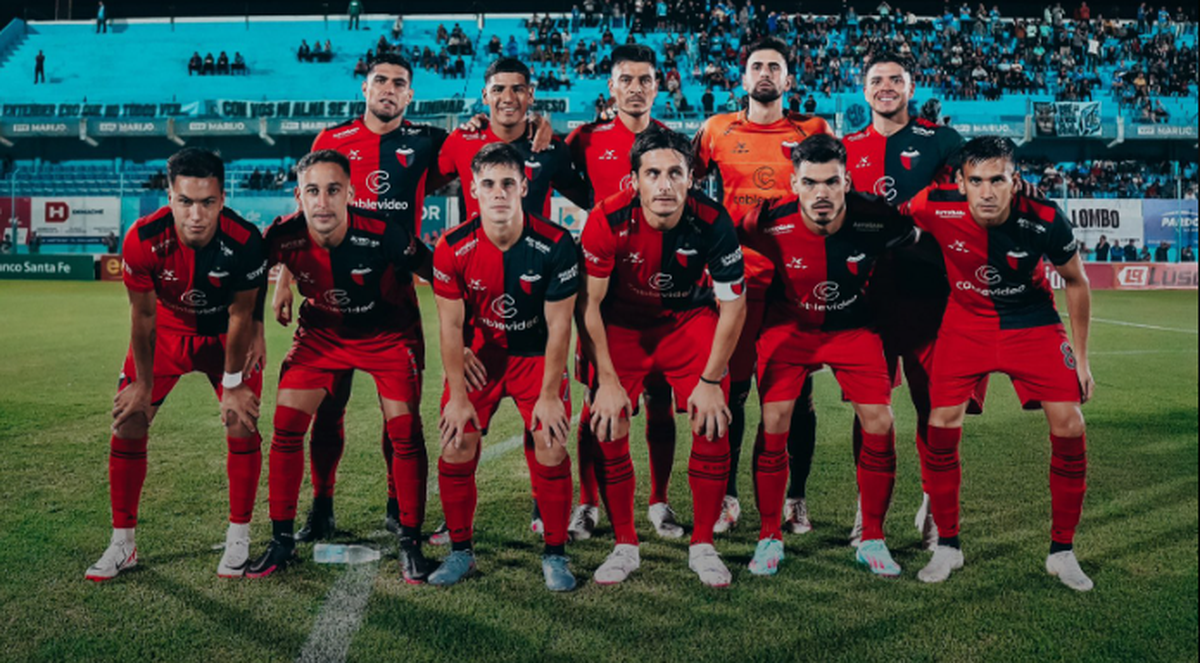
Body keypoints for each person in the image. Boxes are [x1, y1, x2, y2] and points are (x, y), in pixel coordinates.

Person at [273, 54, 454, 545]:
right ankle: (322, 506)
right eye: (380, 80)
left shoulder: (428, 140)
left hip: (393, 303)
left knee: (400, 417)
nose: (388, 89)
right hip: (330, 304)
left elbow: (475, 151)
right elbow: (304, 210)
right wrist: (285, 277)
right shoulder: (331, 140)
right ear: (365, 88)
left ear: (410, 94)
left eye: (399, 83)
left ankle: (399, 507)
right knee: (327, 412)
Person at [904, 136, 1095, 592]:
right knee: (940, 422)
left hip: (1032, 322)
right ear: (960, 182)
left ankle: (1062, 551)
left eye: (997, 180)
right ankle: (948, 545)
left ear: (1016, 181)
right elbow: (890, 221)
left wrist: (1082, 361)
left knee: (1070, 423)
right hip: (966, 322)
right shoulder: (933, 204)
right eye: (976, 181)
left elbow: (1077, 281)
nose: (987, 192)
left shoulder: (1045, 217)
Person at [248, 150, 434, 581]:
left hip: (388, 333)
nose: (323, 201)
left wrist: (465, 335)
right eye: (313, 191)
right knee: (286, 424)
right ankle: (285, 537)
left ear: (350, 193)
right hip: (323, 334)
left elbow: (440, 274)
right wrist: (260, 321)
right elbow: (250, 274)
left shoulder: (384, 233)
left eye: (333, 190)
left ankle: (410, 540)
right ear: (299, 197)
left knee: (405, 429)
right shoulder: (282, 236)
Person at [85, 148, 267, 581]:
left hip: (224, 337)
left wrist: (233, 383)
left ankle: (238, 536)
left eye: (207, 202)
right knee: (128, 420)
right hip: (166, 334)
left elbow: (241, 315)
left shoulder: (245, 240)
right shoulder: (142, 238)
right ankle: (123, 543)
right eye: (185, 201)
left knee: (241, 421)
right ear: (169, 197)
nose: (196, 215)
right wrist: (142, 384)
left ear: (223, 198)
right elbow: (143, 316)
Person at [741, 135, 916, 577]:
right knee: (774, 419)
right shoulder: (766, 220)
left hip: (854, 328)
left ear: (847, 182)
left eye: (831, 182)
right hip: (789, 327)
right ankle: (769, 537)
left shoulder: (876, 216)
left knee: (880, 421)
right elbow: (723, 242)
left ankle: (872, 538)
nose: (821, 193)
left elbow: (916, 241)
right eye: (810, 183)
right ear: (794, 184)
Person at [579, 127, 746, 587]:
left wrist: (710, 382)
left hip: (687, 321)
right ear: (634, 180)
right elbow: (588, 304)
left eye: (675, 173)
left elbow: (734, 306)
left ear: (691, 178)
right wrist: (606, 380)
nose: (665, 184)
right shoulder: (606, 218)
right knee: (607, 421)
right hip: (623, 324)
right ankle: (624, 545)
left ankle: (703, 545)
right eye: (652, 174)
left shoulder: (713, 220)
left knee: (713, 421)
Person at [692, 36, 832, 536]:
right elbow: (684, 185)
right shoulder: (716, 130)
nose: (766, 73)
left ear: (789, 79)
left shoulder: (813, 130)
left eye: (775, 66)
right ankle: (728, 497)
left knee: (798, 397)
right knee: (732, 395)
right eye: (757, 66)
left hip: (795, 287)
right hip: (738, 285)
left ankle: (796, 499)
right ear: (743, 78)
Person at [428, 143, 581, 591]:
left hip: (537, 358)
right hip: (483, 358)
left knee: (550, 443)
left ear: (523, 187)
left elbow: (560, 326)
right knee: (456, 442)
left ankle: (555, 553)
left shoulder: (556, 243)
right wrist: (458, 397)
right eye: (489, 184)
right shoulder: (451, 246)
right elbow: (449, 325)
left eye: (508, 183)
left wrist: (550, 396)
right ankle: (460, 552)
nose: (499, 193)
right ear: (473, 188)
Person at [842, 51, 976, 550]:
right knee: (869, 410)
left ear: (911, 87)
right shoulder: (847, 147)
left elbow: (973, 191)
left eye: (896, 79)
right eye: (877, 79)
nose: (886, 87)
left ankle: (933, 506)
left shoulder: (942, 141)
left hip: (930, 293)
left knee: (934, 407)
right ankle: (867, 508)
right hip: (865, 297)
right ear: (864, 90)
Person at [564, 44, 680, 543]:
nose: (635, 88)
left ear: (658, 86)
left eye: (645, 80)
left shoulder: (675, 142)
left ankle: (659, 500)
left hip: (663, 292)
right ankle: (587, 503)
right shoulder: (584, 139)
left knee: (660, 399)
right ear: (610, 87)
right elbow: (557, 177)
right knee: (597, 401)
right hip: (604, 294)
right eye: (626, 80)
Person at [437, 58, 589, 224]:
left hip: (536, 241)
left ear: (530, 95)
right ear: (485, 96)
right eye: (498, 89)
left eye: (517, 89)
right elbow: (420, 185)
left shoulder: (550, 147)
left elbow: (588, 200)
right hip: (476, 241)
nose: (508, 98)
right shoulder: (461, 140)